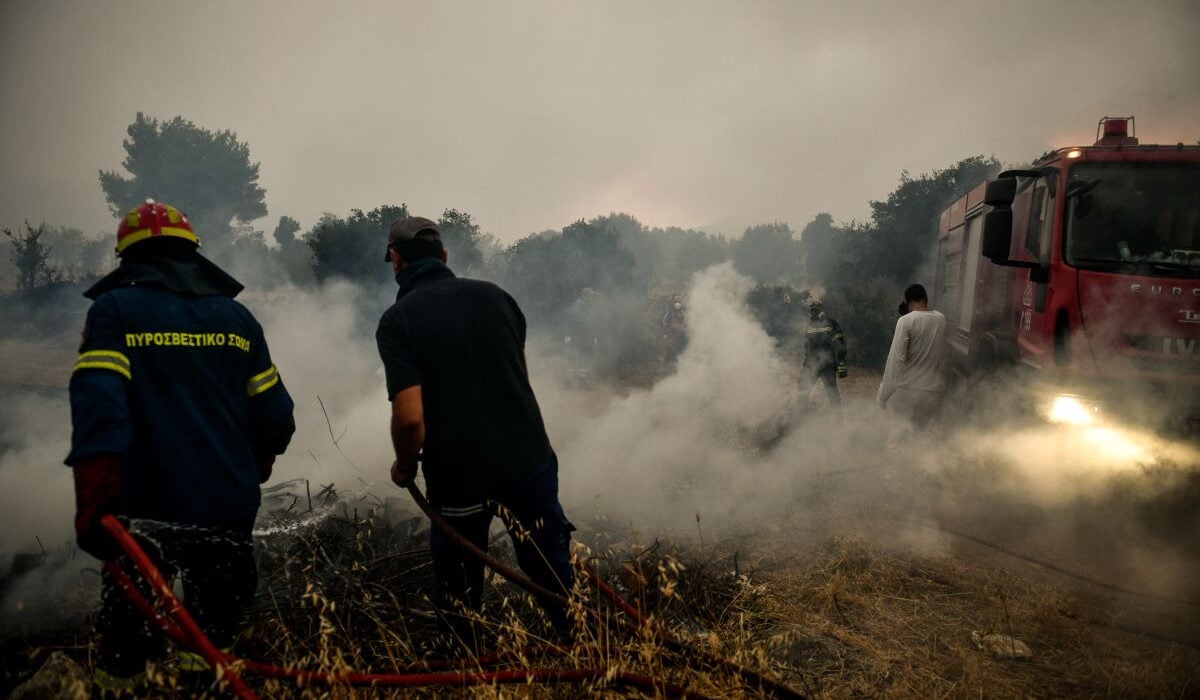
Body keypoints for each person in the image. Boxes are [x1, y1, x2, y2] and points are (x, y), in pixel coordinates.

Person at [66, 200, 295, 695]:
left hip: (144, 512)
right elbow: (275, 413)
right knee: (215, 636)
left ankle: (120, 687)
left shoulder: (114, 311)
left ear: (128, 257)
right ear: (192, 253)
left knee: (128, 634)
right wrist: (258, 459)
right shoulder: (237, 319)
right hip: (227, 506)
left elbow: (99, 410)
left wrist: (94, 501)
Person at [375, 216, 575, 652]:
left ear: (396, 260)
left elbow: (410, 418)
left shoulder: (398, 321)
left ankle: (464, 664)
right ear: (444, 257)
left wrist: (405, 464)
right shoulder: (498, 298)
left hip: (458, 475)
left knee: (460, 580)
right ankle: (581, 641)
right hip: (527, 460)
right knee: (548, 564)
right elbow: (517, 375)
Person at [878, 283, 947, 425]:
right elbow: (925, 326)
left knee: (900, 437)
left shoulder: (905, 321)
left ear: (908, 302)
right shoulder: (941, 319)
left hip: (909, 392)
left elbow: (896, 361)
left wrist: (883, 395)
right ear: (925, 299)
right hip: (933, 392)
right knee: (925, 437)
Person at [802, 299, 847, 405]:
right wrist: (806, 364)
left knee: (832, 393)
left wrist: (841, 366)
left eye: (816, 310)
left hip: (828, 365)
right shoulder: (809, 326)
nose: (813, 312)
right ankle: (800, 415)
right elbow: (807, 346)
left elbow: (841, 346)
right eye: (812, 310)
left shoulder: (831, 323)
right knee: (802, 389)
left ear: (822, 310)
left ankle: (838, 417)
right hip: (811, 364)